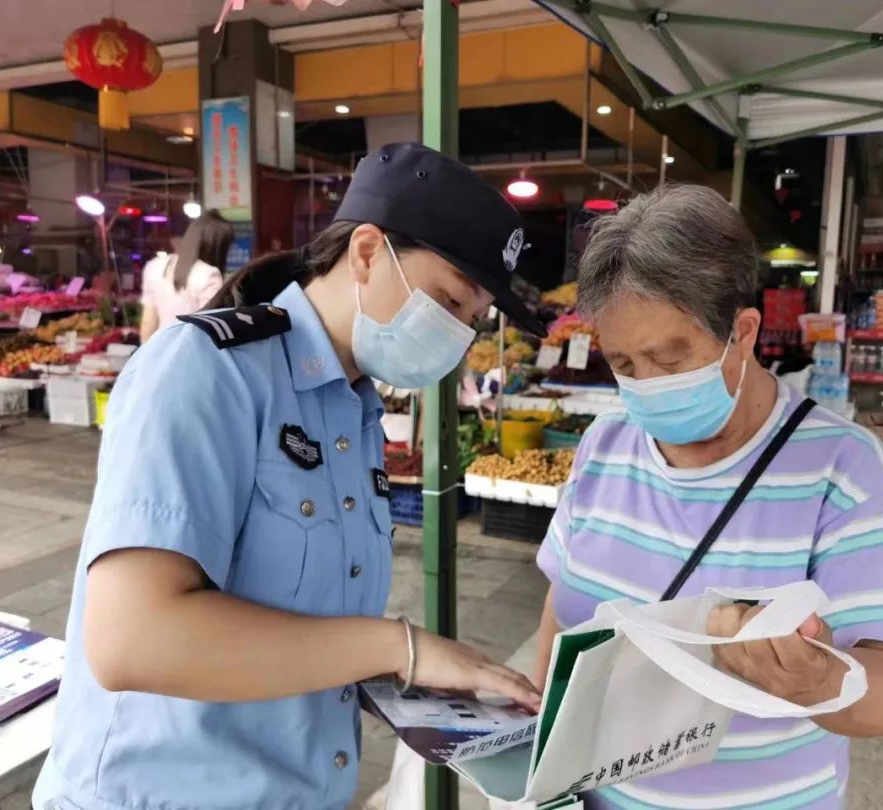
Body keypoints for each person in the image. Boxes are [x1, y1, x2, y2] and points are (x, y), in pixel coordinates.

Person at [33, 143, 545, 810]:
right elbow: (132, 639)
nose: (456, 333)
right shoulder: (207, 372)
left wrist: (414, 683)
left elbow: (294, 621)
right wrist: (399, 647)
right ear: (365, 252)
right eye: (449, 299)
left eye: (472, 321)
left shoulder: (353, 408)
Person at [532, 184, 883, 810]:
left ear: (743, 331)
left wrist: (816, 681)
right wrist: (538, 747)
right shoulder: (604, 443)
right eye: (622, 363)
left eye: (670, 359)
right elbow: (560, 611)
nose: (645, 386)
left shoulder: (844, 468)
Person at [139, 210, 234, 342]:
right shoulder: (210, 275)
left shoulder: (154, 266)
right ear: (218, 246)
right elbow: (209, 332)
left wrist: (147, 357)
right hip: (190, 355)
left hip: (161, 351)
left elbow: (148, 322)